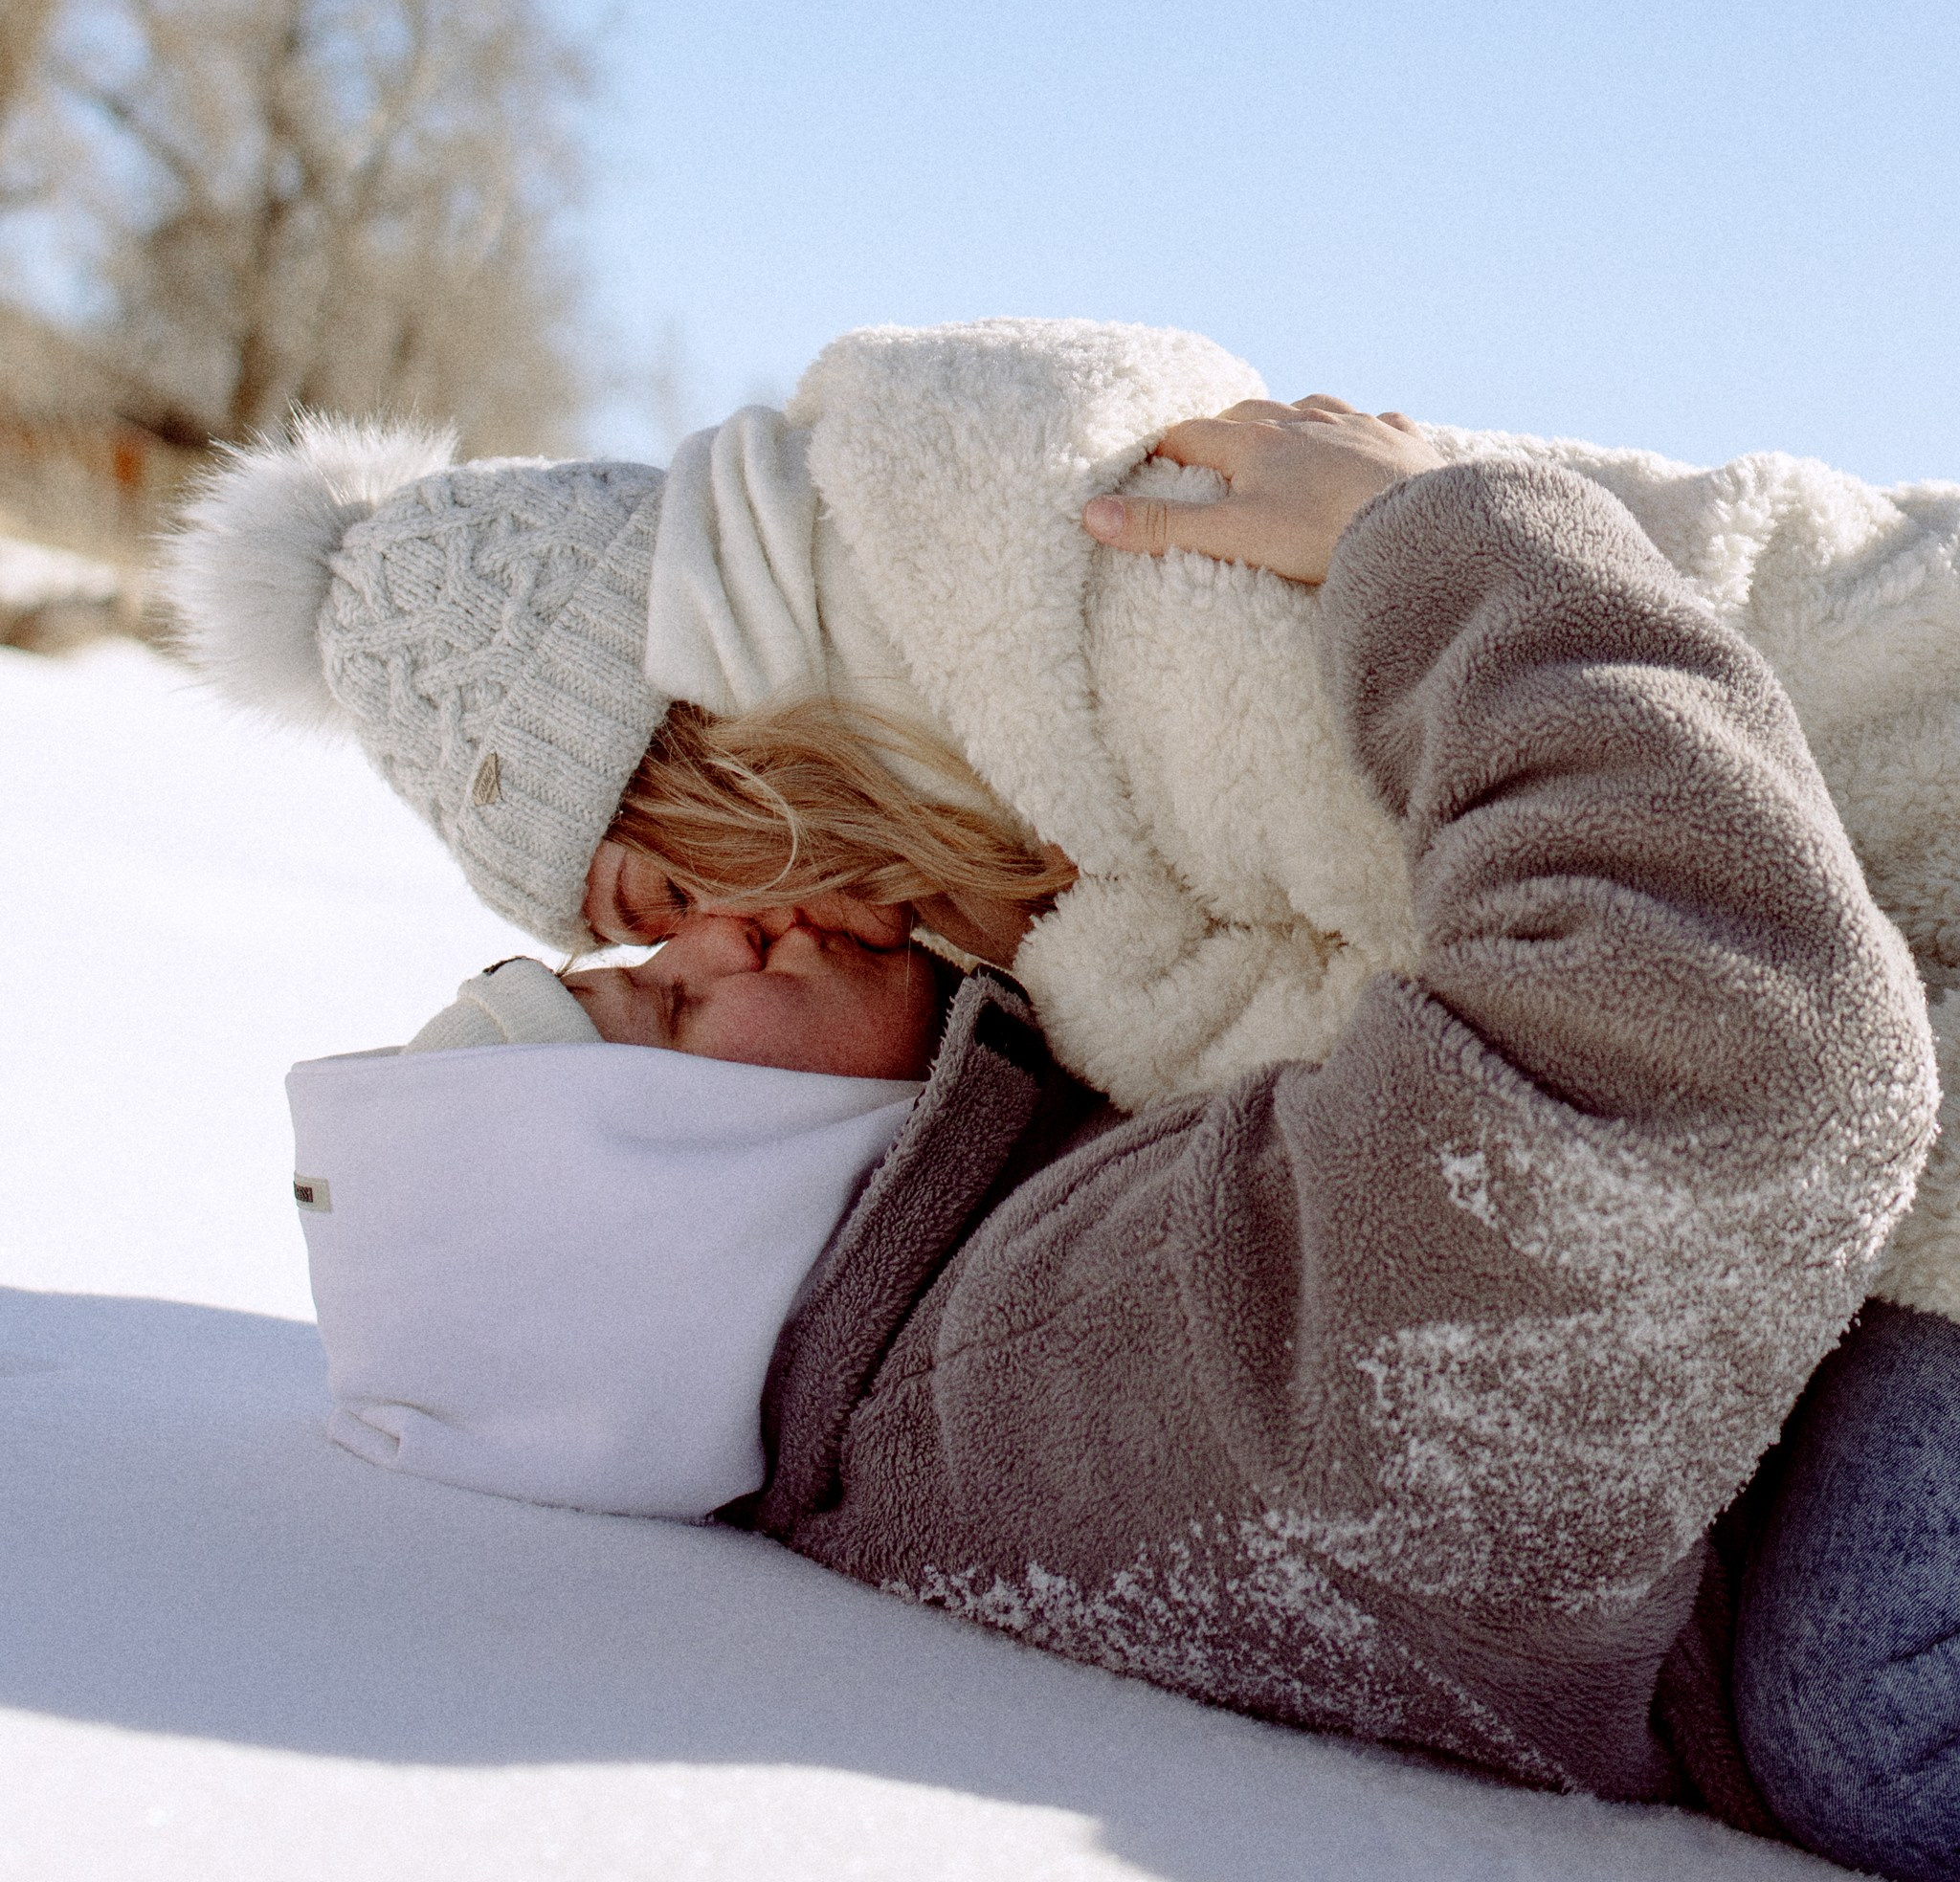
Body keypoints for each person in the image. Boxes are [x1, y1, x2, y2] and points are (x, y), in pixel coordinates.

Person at [167, 373, 1939, 1865]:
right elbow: (1720, 1046)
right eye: (668, 998)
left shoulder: (937, 1331)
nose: (722, 932)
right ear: (675, 1210)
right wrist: (1459, 549)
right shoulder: (1049, 1356)